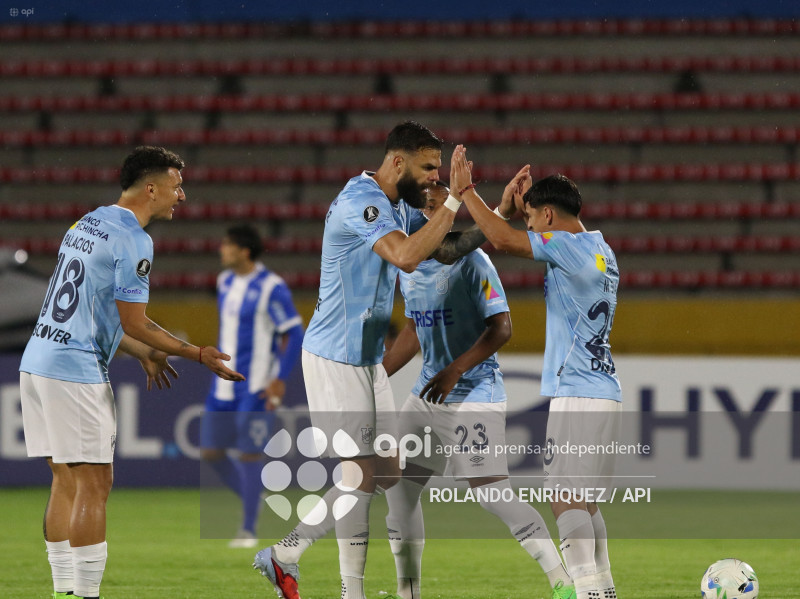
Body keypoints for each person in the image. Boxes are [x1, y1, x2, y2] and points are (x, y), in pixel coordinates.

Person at [253, 121, 487, 599]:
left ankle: (291, 557)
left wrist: (498, 210)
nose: (433, 177)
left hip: (366, 359)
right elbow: (404, 257)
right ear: (397, 162)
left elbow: (444, 249)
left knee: (386, 472)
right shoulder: (361, 202)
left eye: (438, 170)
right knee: (359, 476)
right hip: (335, 357)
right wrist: (452, 201)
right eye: (427, 167)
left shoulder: (397, 204)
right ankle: (320, 574)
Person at [18, 146, 245, 599]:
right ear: (151, 187)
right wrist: (195, 352)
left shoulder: (87, 222)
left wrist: (140, 350)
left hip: (37, 360)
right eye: (177, 185)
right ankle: (85, 594)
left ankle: (63, 589)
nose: (182, 195)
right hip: (74, 369)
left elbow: (93, 312)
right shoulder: (134, 239)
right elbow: (135, 321)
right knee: (94, 484)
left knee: (65, 478)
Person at [380, 181, 576, 599]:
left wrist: (455, 370)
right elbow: (414, 331)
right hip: (426, 394)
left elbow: (502, 327)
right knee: (399, 491)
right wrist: (377, 376)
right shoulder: (409, 268)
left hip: (474, 392)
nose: (428, 213)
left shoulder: (474, 264)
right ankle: (407, 592)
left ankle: (562, 580)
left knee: (491, 495)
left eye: (437, 206)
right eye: (423, 207)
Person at [448, 146, 622, 599]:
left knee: (563, 497)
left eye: (530, 220)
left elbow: (503, 241)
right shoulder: (601, 248)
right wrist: (506, 208)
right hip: (603, 387)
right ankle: (603, 589)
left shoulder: (568, 246)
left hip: (580, 389)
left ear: (547, 214)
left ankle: (586, 591)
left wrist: (466, 192)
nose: (528, 229)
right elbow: (510, 235)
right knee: (585, 501)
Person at [200, 224, 304, 548]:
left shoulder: (272, 287)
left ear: (244, 251)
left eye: (227, 245)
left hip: (255, 386)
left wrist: (278, 379)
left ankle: (248, 529)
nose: (221, 250)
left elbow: (294, 332)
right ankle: (252, 497)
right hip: (222, 386)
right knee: (211, 452)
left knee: (248, 455)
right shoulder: (225, 281)